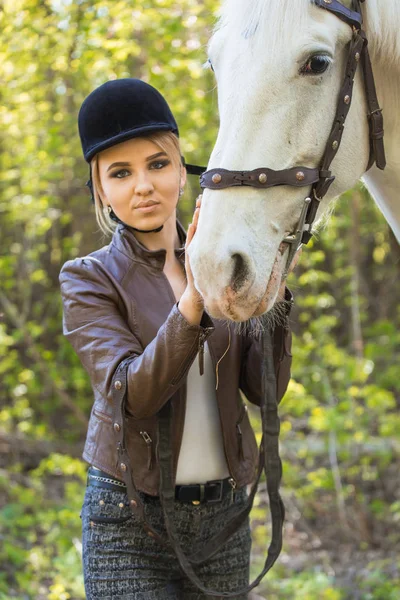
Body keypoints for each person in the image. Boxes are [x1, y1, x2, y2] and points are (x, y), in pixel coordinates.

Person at [59, 77, 298, 600]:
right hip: (127, 520)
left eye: (157, 164)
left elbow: (267, 392)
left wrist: (274, 295)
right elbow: (133, 395)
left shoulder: (224, 264)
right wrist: (192, 300)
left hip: (224, 520)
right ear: (100, 189)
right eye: (120, 173)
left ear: (183, 170)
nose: (142, 185)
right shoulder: (88, 278)